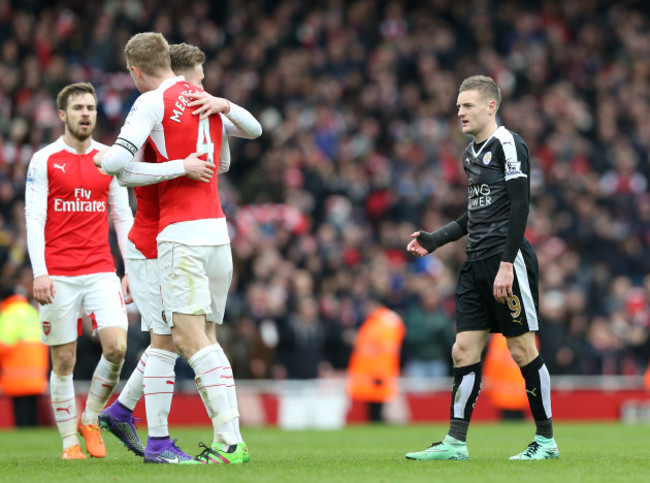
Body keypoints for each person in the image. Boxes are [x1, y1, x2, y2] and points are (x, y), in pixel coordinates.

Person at [95, 32, 261, 465]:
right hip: (192, 236)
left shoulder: (158, 104)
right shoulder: (202, 105)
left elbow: (120, 169)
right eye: (199, 79)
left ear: (136, 71)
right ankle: (144, 424)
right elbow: (228, 156)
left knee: (175, 339)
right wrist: (223, 109)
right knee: (183, 338)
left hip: (173, 234)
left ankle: (166, 431)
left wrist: (99, 159)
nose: (201, 88)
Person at [405, 75, 559, 461]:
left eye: (467, 105)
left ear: (491, 106)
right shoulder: (471, 154)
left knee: (522, 349)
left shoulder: (509, 144)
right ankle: (455, 443)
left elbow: (520, 206)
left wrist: (507, 264)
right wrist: (435, 239)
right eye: (458, 106)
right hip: (475, 264)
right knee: (463, 350)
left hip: (507, 260)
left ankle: (546, 441)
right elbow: (474, 215)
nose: (460, 112)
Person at [24, 82, 135, 460]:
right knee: (65, 360)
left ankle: (90, 419)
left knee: (118, 347)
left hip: (101, 268)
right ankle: (70, 443)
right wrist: (40, 271)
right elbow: (34, 219)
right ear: (63, 115)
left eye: (90, 107)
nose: (86, 113)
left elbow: (122, 217)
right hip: (58, 273)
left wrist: (130, 268)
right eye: (78, 108)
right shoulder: (44, 159)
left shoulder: (109, 158)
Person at [346, 299, 405, 423]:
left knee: (378, 408)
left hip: (377, 373)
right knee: (373, 407)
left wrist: (380, 372)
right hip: (371, 373)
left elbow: (387, 350)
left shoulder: (386, 321)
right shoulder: (377, 320)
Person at [0, 293, 49, 427]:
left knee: (21, 414)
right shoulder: (31, 311)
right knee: (33, 413)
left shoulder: (10, 314)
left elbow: (3, 344)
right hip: (36, 372)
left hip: (17, 374)